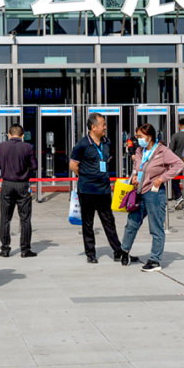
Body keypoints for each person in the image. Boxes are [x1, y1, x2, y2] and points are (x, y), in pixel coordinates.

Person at [119, 123, 184, 273]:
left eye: (140, 136)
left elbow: (179, 164)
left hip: (154, 193)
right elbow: (136, 168)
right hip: (139, 191)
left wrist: (162, 178)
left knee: (156, 227)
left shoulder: (162, 151)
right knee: (132, 223)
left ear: (149, 137)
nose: (138, 139)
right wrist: (134, 176)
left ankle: (155, 260)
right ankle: (124, 251)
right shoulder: (139, 150)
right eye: (137, 136)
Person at [70, 113, 123, 264]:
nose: (105, 127)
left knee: (109, 221)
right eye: (103, 125)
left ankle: (117, 251)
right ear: (93, 127)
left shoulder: (107, 142)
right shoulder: (82, 145)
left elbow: (106, 160)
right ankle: (91, 253)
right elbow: (73, 165)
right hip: (87, 190)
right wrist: (87, 176)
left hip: (104, 189)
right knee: (88, 223)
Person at [0, 123, 37, 258]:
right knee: (25, 218)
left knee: (5, 218)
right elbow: (34, 166)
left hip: (7, 184)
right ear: (22, 135)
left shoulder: (1, 146)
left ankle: (5, 249)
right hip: (23, 184)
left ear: (9, 134)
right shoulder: (27, 147)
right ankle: (25, 249)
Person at [168, 119, 184, 208]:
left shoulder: (175, 136)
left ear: (179, 126)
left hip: (177, 163)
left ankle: (179, 197)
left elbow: (170, 150)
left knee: (175, 180)